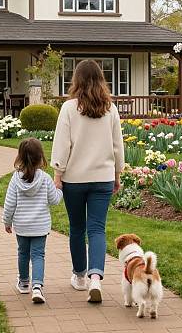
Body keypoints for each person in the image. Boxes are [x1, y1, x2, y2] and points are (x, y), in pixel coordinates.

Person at [51, 59, 125, 303]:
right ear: (101, 80)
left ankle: (80, 277)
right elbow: (117, 146)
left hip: (75, 178)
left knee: (77, 228)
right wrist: (117, 174)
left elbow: (62, 143)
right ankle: (96, 277)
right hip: (102, 177)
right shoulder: (110, 109)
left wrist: (57, 173)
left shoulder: (70, 108)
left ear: (76, 80)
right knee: (97, 228)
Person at [2, 137, 63, 304]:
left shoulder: (16, 179)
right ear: (40, 157)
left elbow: (9, 203)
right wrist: (59, 189)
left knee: (23, 253)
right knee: (38, 255)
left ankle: (23, 283)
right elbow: (55, 200)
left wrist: (7, 222)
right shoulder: (44, 178)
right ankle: (37, 287)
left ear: (20, 156)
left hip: (21, 225)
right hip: (40, 226)